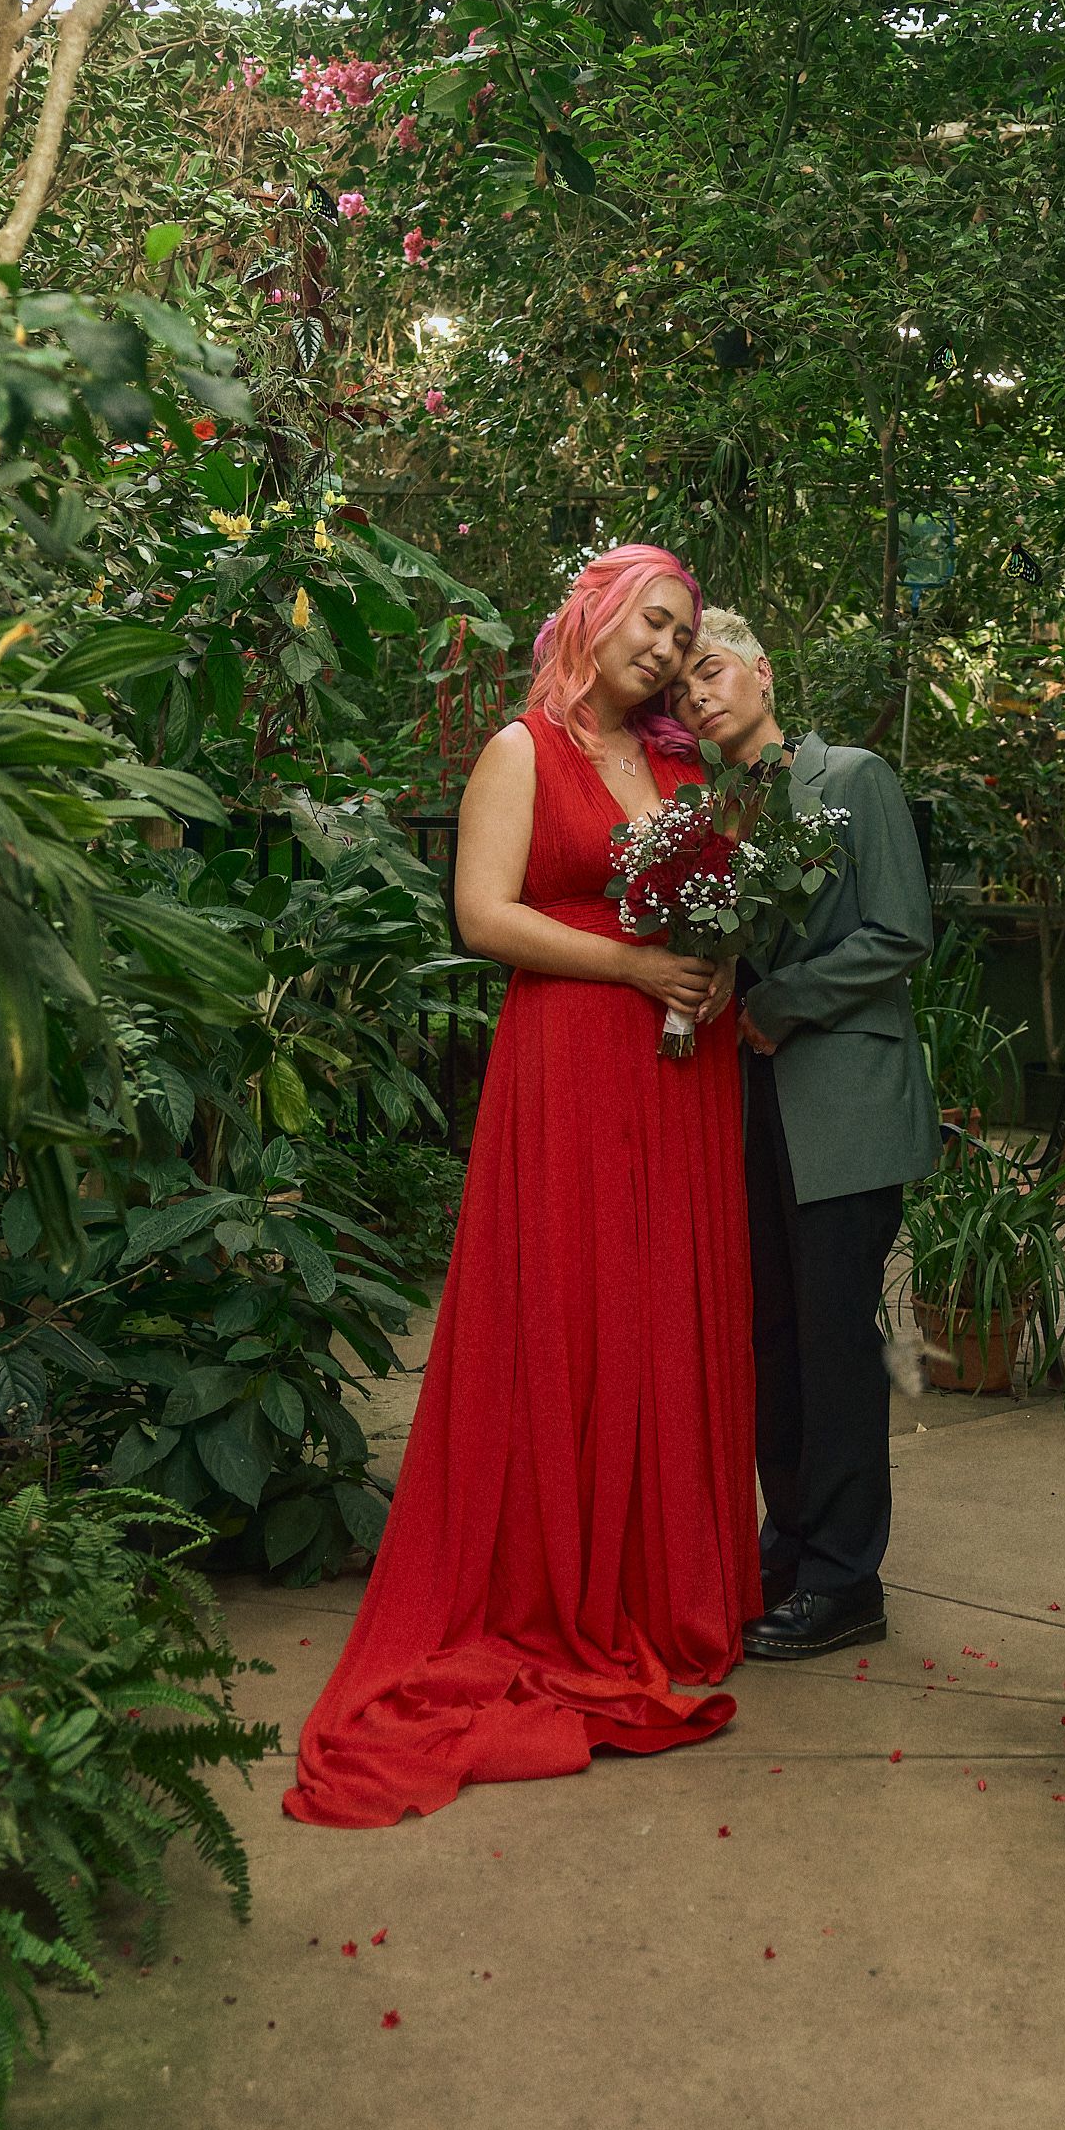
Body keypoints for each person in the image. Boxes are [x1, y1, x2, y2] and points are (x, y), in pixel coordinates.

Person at [282, 545, 760, 1827]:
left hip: (681, 1066)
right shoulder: (519, 750)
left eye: (685, 633)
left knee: (662, 1306)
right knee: (577, 1303)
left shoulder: (677, 765)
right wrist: (636, 972)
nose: (666, 648)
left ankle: (667, 1589)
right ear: (595, 616)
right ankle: (557, 1582)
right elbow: (482, 916)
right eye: (652, 623)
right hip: (570, 1061)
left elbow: (707, 895)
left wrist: (707, 967)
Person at [676, 610, 937, 1660]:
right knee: (770, 1340)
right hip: (746, 1115)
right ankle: (787, 1549)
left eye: (711, 671)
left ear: (762, 671)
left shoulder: (854, 778)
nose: (697, 695)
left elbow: (903, 931)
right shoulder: (706, 816)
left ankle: (846, 1579)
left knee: (833, 1343)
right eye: (682, 688)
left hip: (845, 1111)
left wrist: (785, 1001)